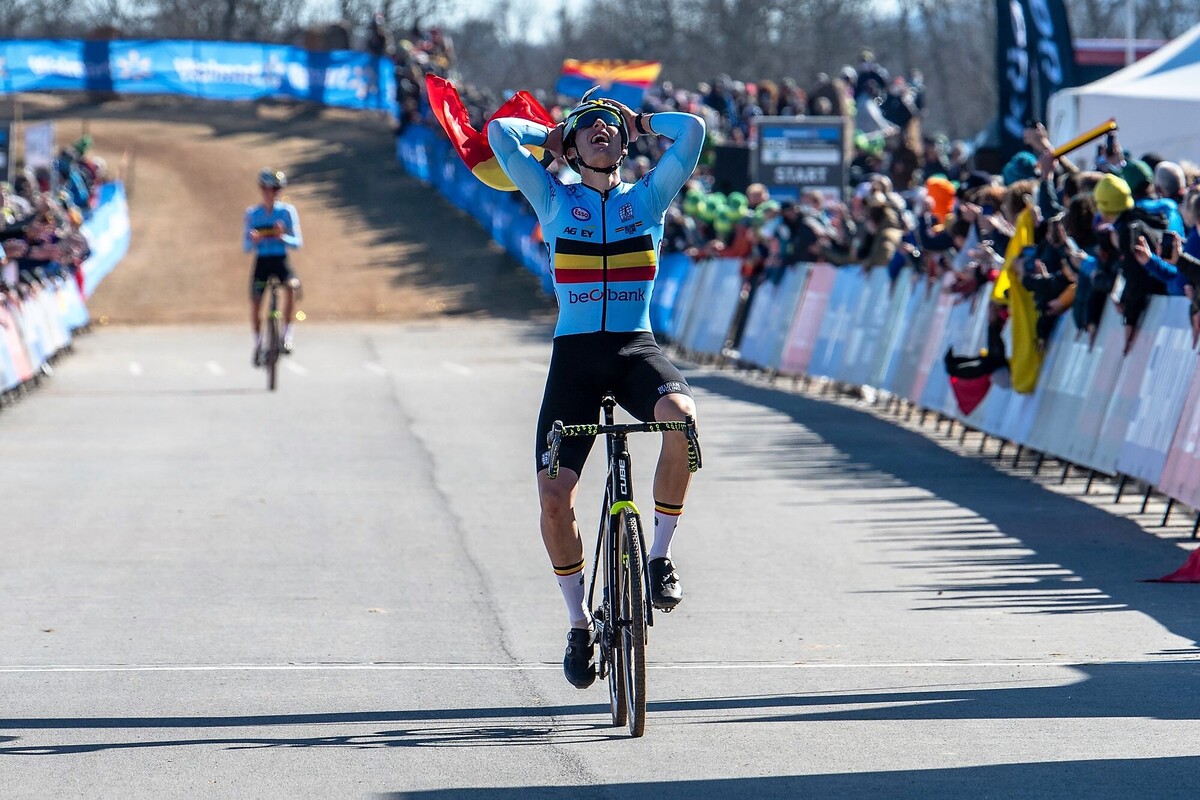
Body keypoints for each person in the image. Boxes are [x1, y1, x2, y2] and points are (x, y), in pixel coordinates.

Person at [487, 89, 705, 689]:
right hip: (576, 361)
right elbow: (500, 134)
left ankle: (658, 556)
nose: (602, 133)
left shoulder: (649, 198)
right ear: (574, 144)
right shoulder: (553, 197)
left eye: (611, 127)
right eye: (590, 128)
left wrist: (642, 120)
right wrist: (549, 133)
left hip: (636, 349)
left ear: (625, 140)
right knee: (554, 497)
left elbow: (692, 134)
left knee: (680, 419)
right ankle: (580, 623)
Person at [243, 168, 302, 364]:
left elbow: (297, 242)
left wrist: (282, 236)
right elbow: (245, 246)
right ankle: (258, 343)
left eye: (277, 189)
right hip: (262, 261)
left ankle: (287, 336)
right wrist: (254, 240)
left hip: (280, 259)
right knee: (256, 302)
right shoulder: (253, 213)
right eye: (269, 188)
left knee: (292, 287)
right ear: (262, 189)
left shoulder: (287, 212)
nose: (273, 192)